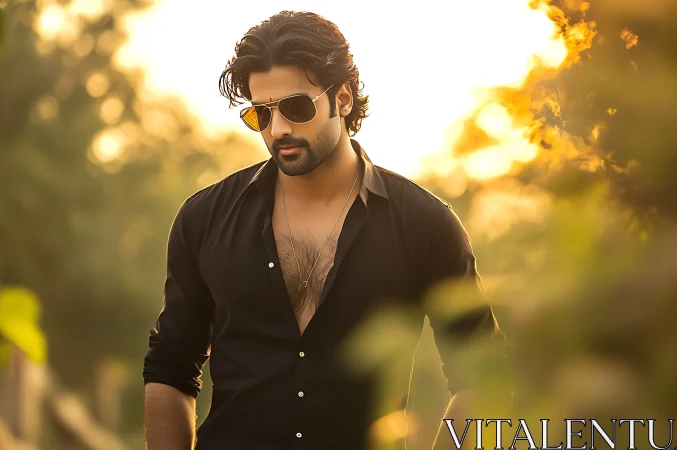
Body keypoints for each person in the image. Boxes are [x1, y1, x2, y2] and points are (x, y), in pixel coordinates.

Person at [143, 10, 511, 450]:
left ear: (342, 98)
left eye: (296, 107)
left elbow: (483, 376)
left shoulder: (424, 225)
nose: (278, 129)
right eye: (261, 114)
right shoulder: (204, 220)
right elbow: (170, 369)